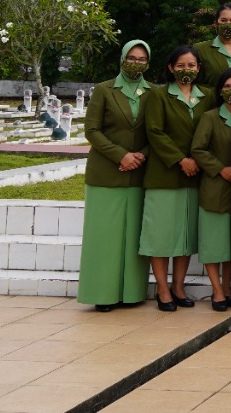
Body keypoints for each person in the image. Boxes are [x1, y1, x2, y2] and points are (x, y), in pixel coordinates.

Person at [78, 40, 152, 312]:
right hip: (106, 173)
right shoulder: (104, 90)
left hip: (138, 173)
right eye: (131, 58)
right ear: (122, 59)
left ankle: (132, 293)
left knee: (133, 238)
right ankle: (102, 293)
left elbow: (154, 131)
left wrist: (139, 155)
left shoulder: (152, 92)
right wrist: (121, 155)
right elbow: (92, 130)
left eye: (142, 59)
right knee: (104, 237)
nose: (136, 63)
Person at [140, 46, 214, 311]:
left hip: (196, 176)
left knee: (185, 235)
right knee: (160, 235)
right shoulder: (158, 96)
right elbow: (155, 132)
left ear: (199, 68)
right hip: (165, 174)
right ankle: (162, 289)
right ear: (171, 68)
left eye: (192, 65)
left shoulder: (207, 96)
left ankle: (178, 286)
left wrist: (196, 161)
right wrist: (181, 160)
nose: (187, 70)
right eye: (181, 65)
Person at [191, 68, 231, 310]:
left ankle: (227, 286)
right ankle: (216, 291)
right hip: (215, 186)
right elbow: (199, 149)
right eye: (228, 86)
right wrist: (221, 169)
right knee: (215, 243)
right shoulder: (211, 117)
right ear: (220, 90)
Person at [193, 3, 231, 88]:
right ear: (215, 23)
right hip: (211, 100)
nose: (228, 24)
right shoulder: (200, 49)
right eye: (223, 20)